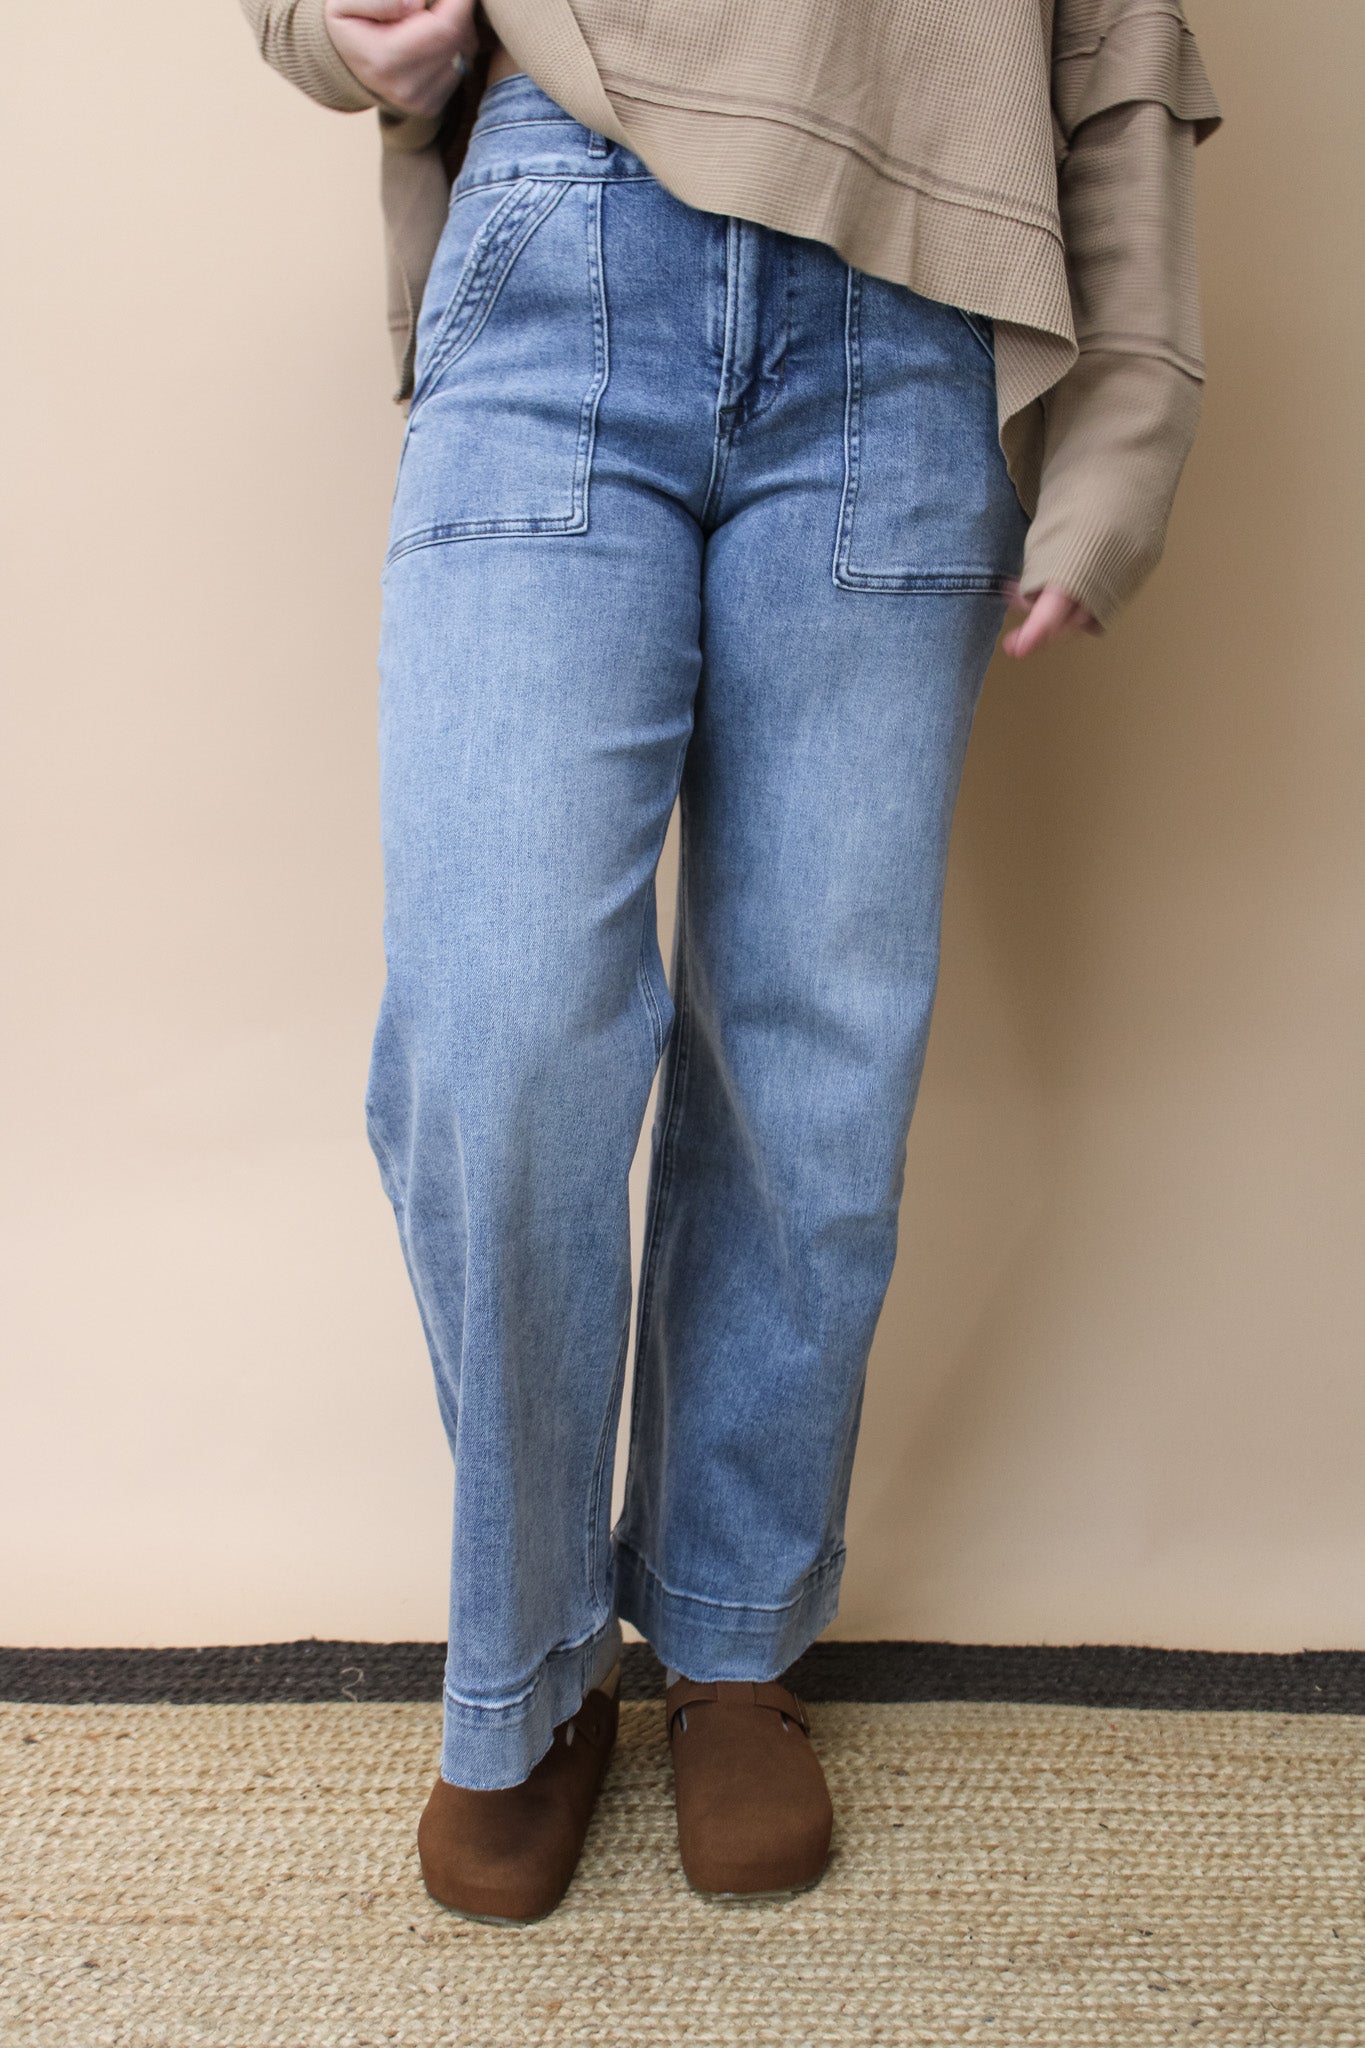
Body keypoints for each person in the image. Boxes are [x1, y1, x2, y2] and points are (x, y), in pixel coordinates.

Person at [239, 0, 1222, 1921]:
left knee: (812, 1057)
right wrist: (337, 36)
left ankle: (728, 1634)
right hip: (556, 253)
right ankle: (525, 1662)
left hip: (915, 312)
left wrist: (1127, 421)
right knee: (500, 1031)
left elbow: (1114, 47)